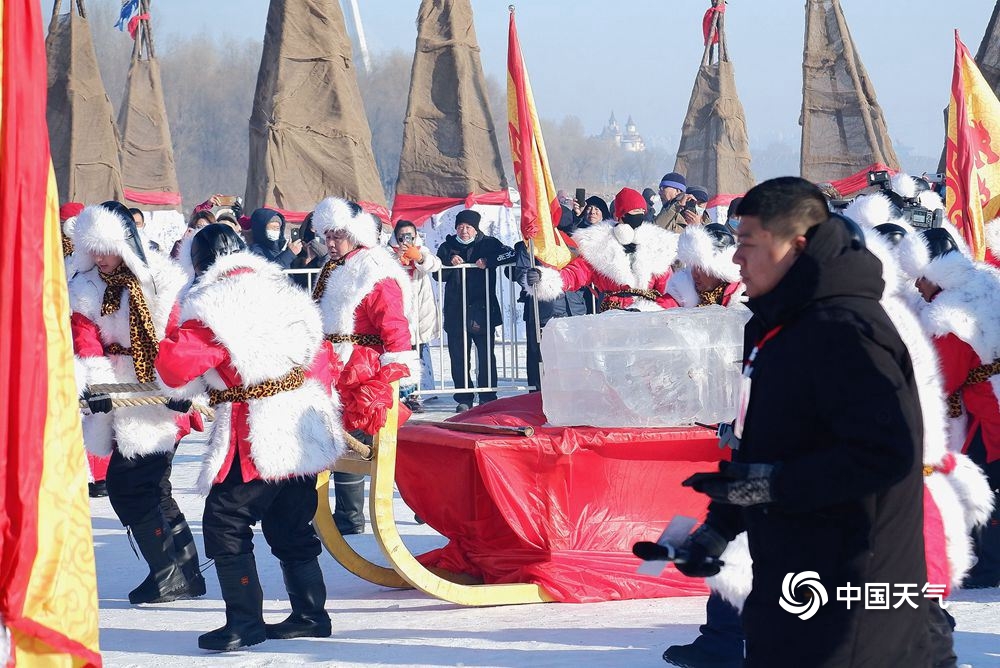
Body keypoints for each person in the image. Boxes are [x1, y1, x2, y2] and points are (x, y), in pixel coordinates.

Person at [677, 177, 928, 666]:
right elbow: (763, 444)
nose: (735, 259)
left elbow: (886, 453)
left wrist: (773, 485)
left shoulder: (845, 329)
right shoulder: (775, 327)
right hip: (795, 581)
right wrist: (720, 524)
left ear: (794, 246)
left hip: (853, 594)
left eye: (747, 243)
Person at [156, 224, 345, 651]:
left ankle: (244, 621)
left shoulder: (213, 302)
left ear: (199, 264)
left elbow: (175, 366)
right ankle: (311, 614)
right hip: (302, 424)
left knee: (225, 521)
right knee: (290, 522)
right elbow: (320, 355)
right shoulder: (280, 287)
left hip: (257, 427)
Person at [69, 201, 205, 605]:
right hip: (118, 395)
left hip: (161, 394)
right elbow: (85, 340)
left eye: (104, 247)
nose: (98, 257)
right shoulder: (84, 286)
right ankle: (185, 572)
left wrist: (182, 385)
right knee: (153, 486)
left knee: (131, 487)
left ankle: (169, 574)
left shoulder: (161, 282)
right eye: (91, 248)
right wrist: (97, 384)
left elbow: (179, 334)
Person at [311, 197, 418, 534]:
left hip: (367, 371)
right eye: (327, 235)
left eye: (337, 235)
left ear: (355, 234)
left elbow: (394, 325)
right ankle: (348, 514)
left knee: (374, 443)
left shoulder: (374, 270)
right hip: (339, 369)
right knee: (346, 442)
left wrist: (395, 371)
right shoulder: (334, 267)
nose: (330, 242)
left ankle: (421, 502)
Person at [907, 225, 1000, 589]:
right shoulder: (987, 282)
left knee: (985, 484)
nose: (916, 286)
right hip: (991, 397)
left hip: (987, 409)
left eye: (920, 278)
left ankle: (991, 563)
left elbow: (943, 376)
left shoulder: (947, 315)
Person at [528, 187, 678, 312]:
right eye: (633, 212)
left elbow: (670, 290)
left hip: (648, 317)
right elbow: (576, 273)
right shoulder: (598, 245)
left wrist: (654, 308)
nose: (638, 216)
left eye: (641, 212)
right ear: (619, 216)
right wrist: (545, 278)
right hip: (613, 318)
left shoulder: (655, 245)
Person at [433, 209, 515, 412]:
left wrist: (489, 261)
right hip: (456, 311)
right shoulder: (447, 246)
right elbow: (437, 275)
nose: (464, 231)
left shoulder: (489, 244)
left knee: (486, 354)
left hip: (482, 310)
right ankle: (464, 397)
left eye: (468, 227)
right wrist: (447, 263)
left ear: (476, 228)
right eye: (460, 226)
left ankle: (488, 395)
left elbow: (510, 253)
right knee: (459, 356)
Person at [512, 240, 588, 392]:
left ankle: (575, 395)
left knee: (575, 358)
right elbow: (521, 272)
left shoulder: (574, 240)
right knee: (541, 357)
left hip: (574, 308)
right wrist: (530, 277)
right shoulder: (529, 244)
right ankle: (539, 396)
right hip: (544, 310)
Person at [391, 220, 442, 411]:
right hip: (399, 312)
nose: (406, 239)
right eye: (402, 236)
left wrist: (419, 257)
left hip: (420, 313)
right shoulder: (388, 252)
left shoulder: (422, 249)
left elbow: (435, 265)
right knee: (401, 356)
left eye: (410, 235)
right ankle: (404, 396)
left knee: (419, 354)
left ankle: (418, 394)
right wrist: (397, 258)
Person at [663, 223, 744, 308]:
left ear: (720, 270)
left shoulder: (743, 297)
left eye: (701, 268)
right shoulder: (683, 290)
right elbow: (662, 308)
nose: (694, 274)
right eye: (693, 266)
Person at [289, 212, 328, 290]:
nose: (316, 232)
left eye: (321, 228)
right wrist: (307, 260)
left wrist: (324, 256)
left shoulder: (334, 251)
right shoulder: (296, 252)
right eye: (314, 227)